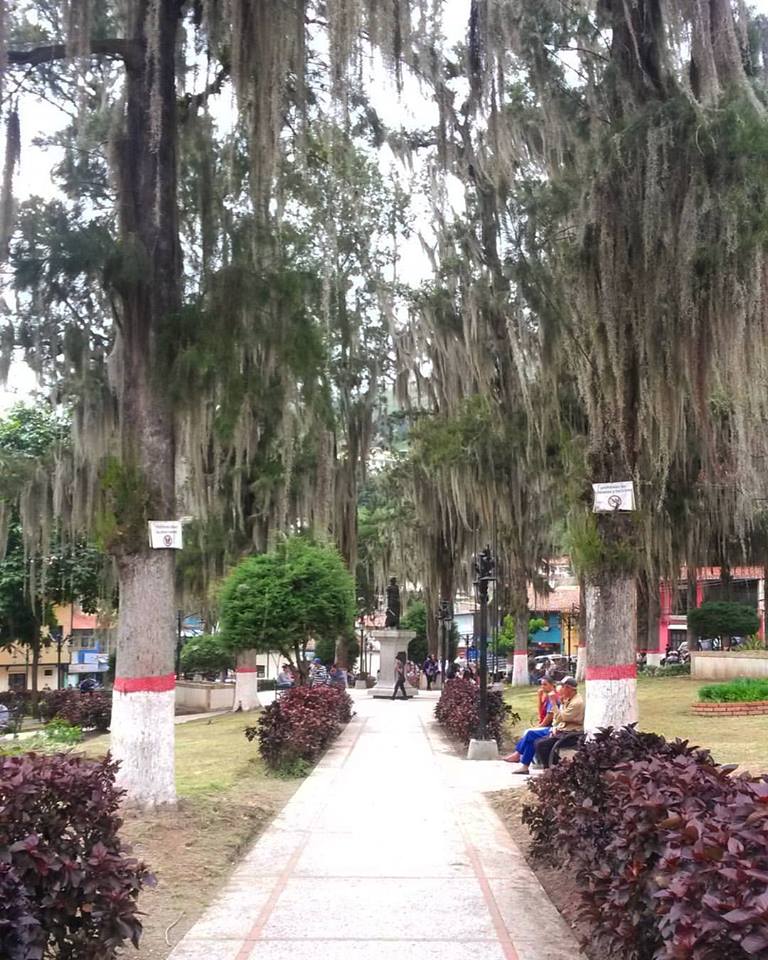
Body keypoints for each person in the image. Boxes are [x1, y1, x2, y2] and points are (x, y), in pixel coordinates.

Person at [503, 678, 559, 767]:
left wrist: (540, 726)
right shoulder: (547, 696)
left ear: (552, 685)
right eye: (541, 684)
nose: (542, 687)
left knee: (529, 733)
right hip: (548, 726)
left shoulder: (553, 696)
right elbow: (540, 712)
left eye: (545, 684)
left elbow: (550, 715)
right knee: (530, 736)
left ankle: (519, 755)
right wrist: (539, 697)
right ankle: (524, 764)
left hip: (551, 727)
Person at [533, 676, 585, 769]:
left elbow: (560, 717)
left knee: (542, 745)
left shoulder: (576, 703)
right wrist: (556, 727)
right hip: (564, 731)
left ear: (568, 688)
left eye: (562, 686)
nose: (560, 689)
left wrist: (553, 702)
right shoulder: (568, 699)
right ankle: (558, 767)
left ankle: (555, 768)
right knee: (538, 742)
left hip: (572, 734)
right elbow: (559, 720)